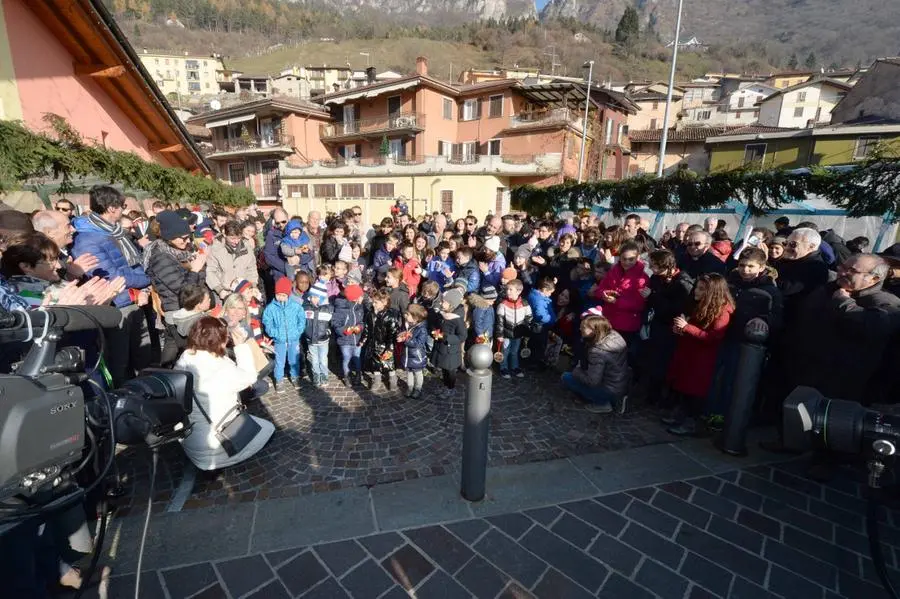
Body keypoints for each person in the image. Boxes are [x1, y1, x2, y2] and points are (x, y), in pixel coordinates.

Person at [71, 185, 152, 383]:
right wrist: (147, 279)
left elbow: (134, 263)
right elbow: (111, 277)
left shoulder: (115, 232)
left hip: (134, 299)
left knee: (143, 357)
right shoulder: (88, 240)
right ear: (111, 208)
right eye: (122, 205)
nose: (123, 209)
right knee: (120, 362)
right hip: (117, 305)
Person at [175, 316, 275, 471]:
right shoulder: (219, 368)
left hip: (190, 441)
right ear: (219, 341)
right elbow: (249, 377)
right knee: (268, 428)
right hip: (215, 446)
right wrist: (240, 346)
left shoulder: (185, 357)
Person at [664, 273, 734, 436]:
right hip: (688, 352)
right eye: (697, 287)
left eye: (702, 289)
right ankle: (679, 415)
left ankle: (690, 422)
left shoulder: (722, 311)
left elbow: (712, 337)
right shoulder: (699, 304)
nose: (696, 291)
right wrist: (680, 329)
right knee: (682, 387)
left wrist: (687, 327)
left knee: (694, 392)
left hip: (702, 358)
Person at [633, 249, 694, 407]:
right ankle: (647, 391)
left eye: (655, 266)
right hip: (655, 323)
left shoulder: (682, 283)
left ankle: (658, 397)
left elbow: (678, 308)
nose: (652, 269)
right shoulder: (657, 277)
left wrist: (652, 297)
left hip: (670, 328)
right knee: (649, 358)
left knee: (662, 362)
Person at [593, 241, 649, 361]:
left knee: (617, 358)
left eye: (631, 259)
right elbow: (599, 289)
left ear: (638, 257)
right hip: (608, 319)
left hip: (626, 325)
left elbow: (639, 304)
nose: (627, 262)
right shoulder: (613, 271)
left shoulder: (642, 278)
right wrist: (604, 294)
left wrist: (617, 302)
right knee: (600, 353)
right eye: (624, 259)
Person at [561, 314, 629, 414]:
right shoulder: (615, 336)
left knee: (566, 377)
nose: (580, 329)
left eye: (583, 328)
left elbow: (592, 381)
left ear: (594, 330)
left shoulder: (597, 352)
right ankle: (612, 398)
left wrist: (577, 370)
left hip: (609, 388)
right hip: (619, 383)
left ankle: (602, 403)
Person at [262, 276, 307, 391]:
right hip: (279, 339)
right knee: (279, 361)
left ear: (288, 295)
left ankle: (295, 377)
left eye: (283, 295)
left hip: (293, 338)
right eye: (278, 295)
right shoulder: (271, 308)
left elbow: (302, 319)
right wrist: (274, 332)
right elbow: (267, 322)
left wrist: (298, 331)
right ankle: (279, 380)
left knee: (293, 360)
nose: (280, 297)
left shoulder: (296, 306)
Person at [206, 220, 259, 300]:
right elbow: (210, 272)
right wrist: (219, 289)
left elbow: (252, 269)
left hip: (244, 291)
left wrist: (253, 285)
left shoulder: (247, 248)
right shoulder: (216, 249)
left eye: (239, 238)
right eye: (232, 238)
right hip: (224, 292)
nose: (236, 241)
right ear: (225, 235)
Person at [362, 289, 402, 390]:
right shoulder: (370, 314)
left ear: (384, 303)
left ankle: (393, 380)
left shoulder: (390, 316)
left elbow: (392, 333)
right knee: (375, 363)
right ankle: (377, 380)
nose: (373, 304)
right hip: (373, 343)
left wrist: (390, 347)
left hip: (385, 344)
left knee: (389, 364)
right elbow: (367, 327)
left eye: (376, 302)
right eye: (373, 301)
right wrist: (363, 339)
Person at [432, 287, 467, 398]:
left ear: (451, 304)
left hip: (450, 350)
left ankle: (450, 388)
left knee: (450, 371)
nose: (441, 303)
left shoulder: (457, 319)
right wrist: (435, 332)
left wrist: (447, 338)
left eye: (444, 302)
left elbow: (462, 336)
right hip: (441, 347)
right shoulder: (442, 315)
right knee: (444, 369)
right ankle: (445, 386)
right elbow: (437, 325)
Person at [494, 279, 533, 379]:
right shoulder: (503, 304)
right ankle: (504, 368)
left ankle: (515, 367)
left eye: (511, 289)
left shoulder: (524, 303)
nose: (508, 292)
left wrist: (525, 331)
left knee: (514, 351)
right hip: (506, 333)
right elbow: (499, 321)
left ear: (519, 291)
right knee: (505, 351)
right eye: (507, 289)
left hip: (518, 334)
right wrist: (499, 335)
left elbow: (528, 318)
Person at [302, 278, 333, 388]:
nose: (314, 299)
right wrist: (305, 331)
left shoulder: (328, 309)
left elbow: (331, 323)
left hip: (323, 339)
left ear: (322, 298)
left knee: (323, 359)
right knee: (314, 359)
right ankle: (316, 375)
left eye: (317, 297)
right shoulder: (305, 308)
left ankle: (324, 375)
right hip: (310, 339)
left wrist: (328, 331)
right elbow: (303, 321)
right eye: (312, 297)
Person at [332, 284, 365, 385]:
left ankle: (358, 374)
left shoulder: (359, 308)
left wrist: (359, 327)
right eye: (360, 296)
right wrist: (345, 330)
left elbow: (362, 322)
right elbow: (336, 324)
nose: (362, 298)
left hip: (356, 339)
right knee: (346, 357)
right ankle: (347, 375)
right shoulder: (341, 309)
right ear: (354, 298)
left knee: (357, 357)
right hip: (345, 339)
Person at [399, 304, 429, 398]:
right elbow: (407, 334)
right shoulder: (409, 325)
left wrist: (406, 340)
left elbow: (419, 343)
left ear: (415, 318)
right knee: (409, 372)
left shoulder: (422, 329)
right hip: (408, 355)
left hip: (417, 356)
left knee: (418, 373)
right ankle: (410, 388)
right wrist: (402, 335)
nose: (405, 316)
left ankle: (418, 389)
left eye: (407, 314)